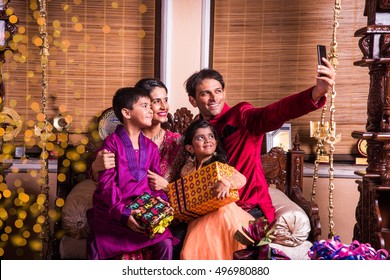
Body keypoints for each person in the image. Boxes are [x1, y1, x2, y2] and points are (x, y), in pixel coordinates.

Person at [184, 59, 335, 223]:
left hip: (248, 207)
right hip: (210, 207)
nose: (214, 98)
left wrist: (315, 93)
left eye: (218, 91)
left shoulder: (241, 115)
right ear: (193, 100)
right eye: (205, 93)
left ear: (224, 93)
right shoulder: (194, 132)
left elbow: (276, 112)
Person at [91, 78, 186, 259]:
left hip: (144, 210)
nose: (151, 110)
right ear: (126, 113)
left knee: (165, 242)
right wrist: (124, 214)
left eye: (152, 106)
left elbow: (154, 182)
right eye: (146, 106)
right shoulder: (111, 144)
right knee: (98, 245)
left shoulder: (150, 147)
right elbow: (107, 186)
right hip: (116, 214)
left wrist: (161, 201)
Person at [179, 119, 254, 259]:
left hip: (224, 211)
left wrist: (226, 182)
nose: (207, 140)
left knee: (230, 240)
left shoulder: (220, 164)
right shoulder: (187, 169)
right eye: (200, 138)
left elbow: (241, 178)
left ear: (216, 142)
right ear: (190, 148)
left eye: (211, 136)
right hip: (200, 215)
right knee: (190, 252)